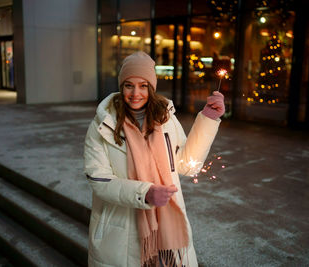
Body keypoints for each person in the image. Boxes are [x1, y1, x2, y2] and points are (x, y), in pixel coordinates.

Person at [84, 51, 225, 267]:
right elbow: (98, 179)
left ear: (151, 87)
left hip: (168, 230)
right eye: (129, 85)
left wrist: (208, 119)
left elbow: (187, 165)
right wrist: (145, 193)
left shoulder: (166, 119)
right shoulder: (103, 125)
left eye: (143, 86)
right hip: (120, 233)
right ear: (121, 86)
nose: (135, 93)